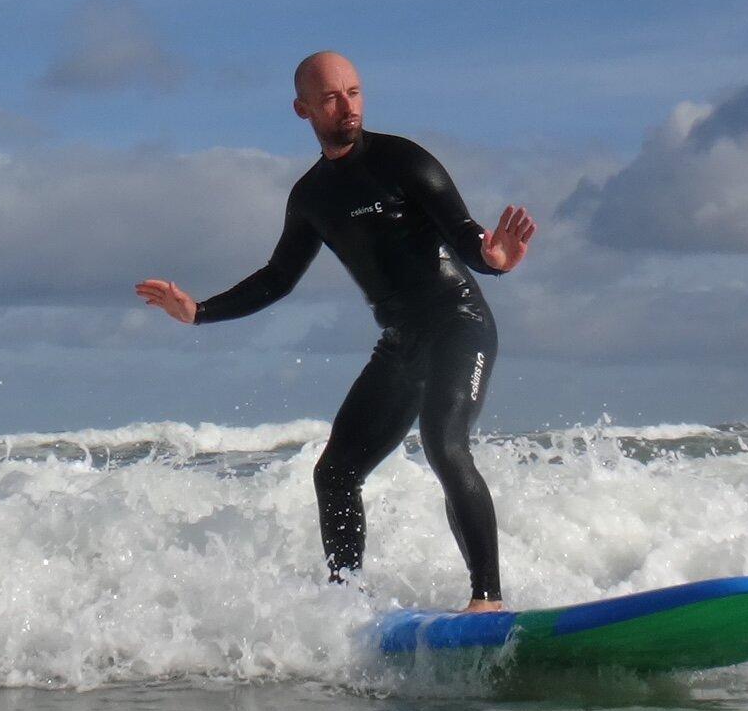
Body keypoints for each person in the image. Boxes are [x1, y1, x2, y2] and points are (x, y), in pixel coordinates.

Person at [136, 50, 535, 611]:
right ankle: (345, 602)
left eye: (353, 92)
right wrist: (199, 311)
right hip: (401, 343)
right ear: (303, 110)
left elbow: (470, 236)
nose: (346, 106)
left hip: (457, 325)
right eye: (330, 97)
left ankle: (487, 600)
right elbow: (277, 278)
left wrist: (495, 259)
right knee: (335, 473)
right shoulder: (310, 197)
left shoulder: (403, 161)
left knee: (444, 444)